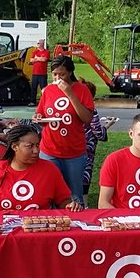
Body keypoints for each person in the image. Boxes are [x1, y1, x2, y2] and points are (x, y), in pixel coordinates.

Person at [33, 55, 96, 206]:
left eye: (62, 74)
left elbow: (87, 118)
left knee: (74, 195)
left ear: (70, 72)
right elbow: (41, 113)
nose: (57, 78)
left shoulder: (81, 90)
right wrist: (39, 118)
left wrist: (70, 93)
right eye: (54, 74)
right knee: (50, 193)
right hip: (49, 149)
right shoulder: (48, 90)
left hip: (73, 151)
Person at [0, 122, 77, 212]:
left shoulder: (50, 169)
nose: (36, 151)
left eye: (37, 145)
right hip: (2, 229)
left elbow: (63, 200)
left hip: (40, 229)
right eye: (30, 146)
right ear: (15, 147)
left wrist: (70, 205)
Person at [78, 79, 115, 199]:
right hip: (86, 148)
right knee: (85, 174)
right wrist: (108, 125)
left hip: (69, 147)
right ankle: (84, 202)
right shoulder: (90, 109)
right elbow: (98, 132)